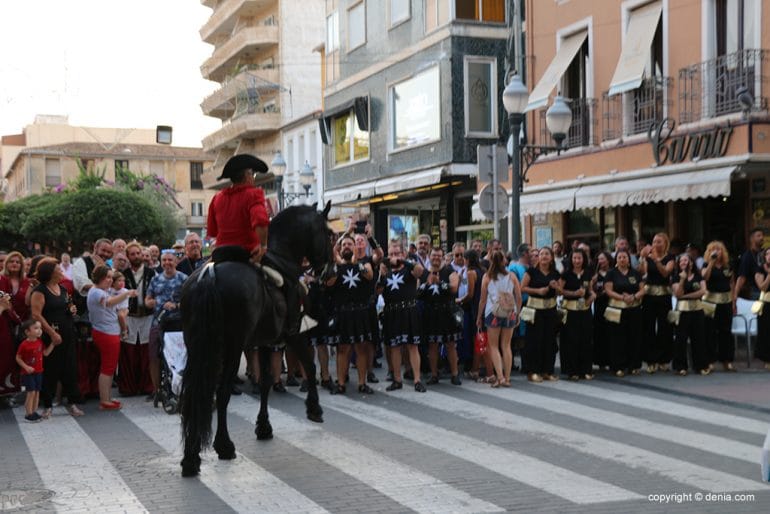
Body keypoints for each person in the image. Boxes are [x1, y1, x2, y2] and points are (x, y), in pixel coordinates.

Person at [30, 258, 83, 417]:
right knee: (50, 369)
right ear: (50, 273)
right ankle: (48, 405)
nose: (61, 271)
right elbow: (36, 314)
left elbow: (68, 305)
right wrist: (52, 333)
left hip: (67, 333)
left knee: (70, 368)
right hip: (51, 336)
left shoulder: (63, 289)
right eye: (58, 269)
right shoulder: (40, 291)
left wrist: (72, 309)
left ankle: (72, 403)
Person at [325, 234, 376, 394]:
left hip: (360, 312)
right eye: (344, 245)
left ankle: (362, 383)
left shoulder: (363, 264)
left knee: (361, 349)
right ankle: (341, 384)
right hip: (343, 313)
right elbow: (329, 282)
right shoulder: (335, 267)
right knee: (343, 349)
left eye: (349, 244)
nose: (347, 246)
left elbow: (369, 275)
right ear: (340, 250)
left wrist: (356, 264)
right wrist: (337, 264)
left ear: (354, 247)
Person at [378, 240, 426, 392]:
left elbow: (420, 271)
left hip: (409, 311)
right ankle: (397, 379)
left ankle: (417, 380)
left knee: (412, 346)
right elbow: (378, 291)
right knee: (395, 347)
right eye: (391, 254)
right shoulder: (386, 272)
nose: (394, 257)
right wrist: (381, 274)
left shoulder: (409, 268)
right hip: (392, 313)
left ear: (403, 254)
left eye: (397, 253)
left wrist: (403, 261)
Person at [87, 265, 137, 410]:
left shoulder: (100, 291)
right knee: (108, 368)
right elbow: (109, 302)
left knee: (109, 368)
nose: (110, 280)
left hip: (107, 332)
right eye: (108, 277)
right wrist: (127, 294)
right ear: (100, 277)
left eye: (111, 277)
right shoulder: (97, 292)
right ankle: (105, 400)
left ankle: (107, 398)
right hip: (107, 333)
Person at [145, 250, 188, 403]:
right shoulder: (155, 279)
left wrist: (177, 305)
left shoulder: (184, 278)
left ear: (176, 262)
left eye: (170, 260)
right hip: (158, 322)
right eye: (164, 260)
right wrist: (157, 302)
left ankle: (182, 387)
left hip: (179, 324)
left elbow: (191, 300)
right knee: (153, 356)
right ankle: (157, 390)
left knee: (183, 356)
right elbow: (147, 300)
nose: (167, 263)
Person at [207, 154, 270, 258]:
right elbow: (260, 221)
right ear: (246, 175)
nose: (253, 178)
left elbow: (212, 231)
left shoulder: (217, 198)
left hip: (221, 254)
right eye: (253, 174)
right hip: (247, 252)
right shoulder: (253, 194)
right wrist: (263, 246)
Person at [477, 251, 521, 387]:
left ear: (490, 260)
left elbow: (482, 300)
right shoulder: (512, 276)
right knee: (506, 346)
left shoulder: (487, 277)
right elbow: (518, 297)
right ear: (504, 261)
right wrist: (517, 313)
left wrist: (479, 317)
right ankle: (507, 378)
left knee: (493, 346)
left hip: (493, 312)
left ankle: (500, 377)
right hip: (510, 313)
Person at [420, 247, 461, 385]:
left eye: (439, 256)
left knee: (450, 345)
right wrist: (427, 284)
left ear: (442, 257)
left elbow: (454, 288)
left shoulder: (449, 271)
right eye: (434, 255)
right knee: (432, 345)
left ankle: (455, 374)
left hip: (447, 312)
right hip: (430, 313)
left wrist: (440, 283)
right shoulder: (424, 273)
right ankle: (434, 375)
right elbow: (417, 292)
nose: (436, 258)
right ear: (429, 256)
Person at [120, 241, 156, 396]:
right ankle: (129, 387)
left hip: (147, 316)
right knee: (129, 351)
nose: (136, 256)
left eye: (138, 253)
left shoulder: (151, 273)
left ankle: (147, 386)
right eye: (132, 254)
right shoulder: (123, 274)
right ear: (128, 257)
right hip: (129, 316)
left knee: (146, 351)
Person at [520, 247, 561, 383]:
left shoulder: (555, 273)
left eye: (547, 254)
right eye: (542, 254)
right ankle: (533, 371)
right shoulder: (531, 271)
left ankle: (547, 371)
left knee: (549, 340)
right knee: (534, 341)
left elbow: (560, 291)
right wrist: (538, 291)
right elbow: (522, 288)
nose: (544, 256)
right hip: (535, 310)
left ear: (551, 257)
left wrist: (556, 288)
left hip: (550, 309)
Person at [604, 249, 646, 377]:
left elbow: (643, 289)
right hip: (616, 309)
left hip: (634, 309)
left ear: (629, 259)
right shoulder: (611, 273)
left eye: (625, 257)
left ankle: (633, 366)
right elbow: (608, 290)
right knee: (617, 339)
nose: (622, 259)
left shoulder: (635, 273)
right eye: (620, 257)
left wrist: (634, 297)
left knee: (634, 337)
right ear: (616, 260)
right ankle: (618, 366)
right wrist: (622, 298)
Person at [639, 233, 674, 373]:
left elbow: (666, 273)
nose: (655, 244)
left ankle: (664, 360)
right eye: (654, 241)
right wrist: (642, 258)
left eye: (659, 242)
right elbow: (642, 273)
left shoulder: (670, 258)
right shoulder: (648, 257)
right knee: (649, 327)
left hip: (664, 295)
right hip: (649, 295)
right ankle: (650, 360)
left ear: (665, 243)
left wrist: (656, 260)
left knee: (665, 327)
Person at [560, 249, 595, 380]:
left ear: (583, 259)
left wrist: (592, 296)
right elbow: (559, 291)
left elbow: (590, 290)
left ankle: (586, 370)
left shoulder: (588, 273)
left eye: (579, 258)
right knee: (571, 341)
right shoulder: (566, 274)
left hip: (585, 310)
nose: (577, 261)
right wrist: (573, 293)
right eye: (574, 258)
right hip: (570, 311)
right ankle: (572, 370)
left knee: (586, 340)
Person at [671, 253, 707, 376]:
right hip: (682, 311)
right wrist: (682, 279)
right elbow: (678, 293)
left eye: (686, 260)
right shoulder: (676, 277)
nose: (683, 263)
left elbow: (703, 291)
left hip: (697, 310)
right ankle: (680, 366)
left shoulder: (698, 276)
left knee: (699, 338)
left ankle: (700, 365)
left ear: (691, 263)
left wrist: (686, 296)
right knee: (681, 339)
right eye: (681, 261)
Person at [15, 319, 58, 422]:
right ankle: (28, 414)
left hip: (39, 372)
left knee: (37, 392)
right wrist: (26, 367)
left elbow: (45, 353)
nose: (39, 330)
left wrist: (52, 344)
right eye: (36, 328)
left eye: (40, 328)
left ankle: (34, 412)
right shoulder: (24, 344)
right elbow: (18, 358)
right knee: (31, 392)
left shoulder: (39, 342)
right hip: (28, 373)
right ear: (27, 332)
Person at [702, 241, 736, 372]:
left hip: (726, 301)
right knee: (709, 331)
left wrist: (733, 301)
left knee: (726, 331)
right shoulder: (706, 265)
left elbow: (732, 283)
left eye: (719, 249)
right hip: (710, 302)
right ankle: (710, 360)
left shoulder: (728, 266)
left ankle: (727, 360)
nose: (716, 252)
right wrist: (711, 262)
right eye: (713, 249)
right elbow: (705, 277)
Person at [71, 238, 114, 316]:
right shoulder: (81, 262)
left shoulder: (108, 267)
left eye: (108, 252)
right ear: (95, 248)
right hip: (84, 311)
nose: (106, 254)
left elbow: (112, 287)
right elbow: (84, 286)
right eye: (103, 250)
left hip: (103, 312)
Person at [591, 251, 613, 371]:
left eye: (603, 259)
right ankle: (601, 361)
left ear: (608, 260)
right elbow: (591, 289)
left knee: (612, 332)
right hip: (599, 306)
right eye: (599, 259)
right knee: (600, 333)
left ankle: (612, 360)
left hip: (612, 305)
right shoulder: (595, 275)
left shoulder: (613, 273)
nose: (601, 261)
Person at [734, 228, 764, 304]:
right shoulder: (747, 256)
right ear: (752, 239)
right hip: (755, 291)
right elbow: (742, 277)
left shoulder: (765, 253)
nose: (761, 238)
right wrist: (735, 295)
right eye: (758, 236)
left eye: (762, 235)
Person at [0, 251, 32, 323]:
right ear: (6, 264)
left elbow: (29, 302)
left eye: (18, 262)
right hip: (4, 319)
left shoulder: (27, 281)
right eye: (11, 261)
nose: (14, 263)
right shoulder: (1, 279)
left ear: (21, 265)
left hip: (23, 320)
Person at [754, 248, 770, 370]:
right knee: (766, 332)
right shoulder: (760, 270)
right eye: (768, 254)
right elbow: (762, 287)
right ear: (764, 257)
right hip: (766, 304)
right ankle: (767, 359)